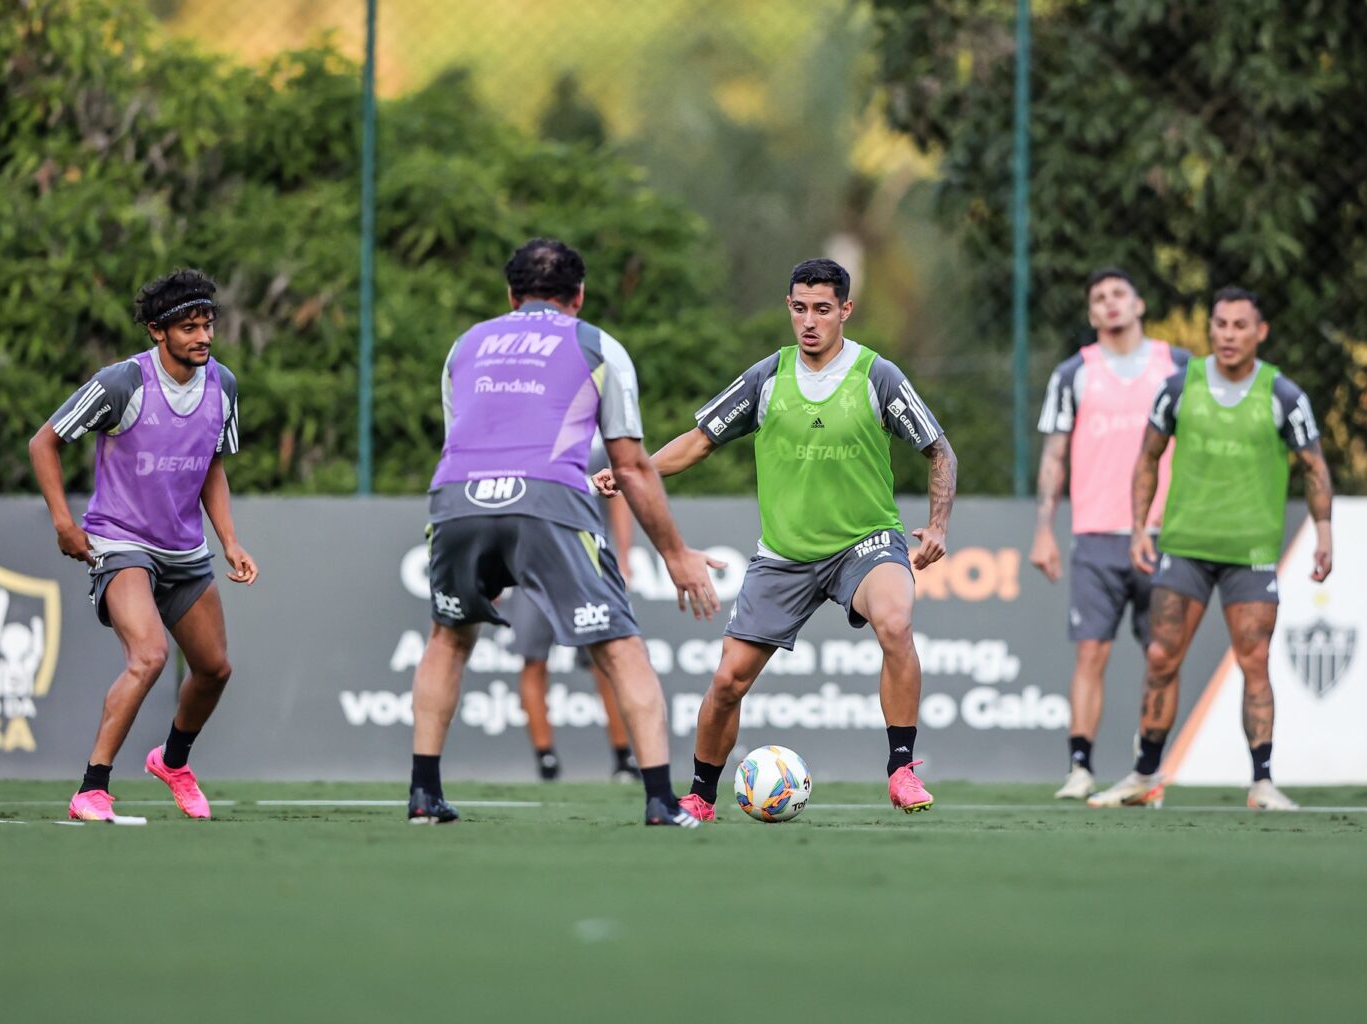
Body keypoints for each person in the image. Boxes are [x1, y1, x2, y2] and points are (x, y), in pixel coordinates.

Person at [597, 258, 958, 820]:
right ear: (788, 308)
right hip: (784, 556)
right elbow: (700, 441)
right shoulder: (767, 377)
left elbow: (938, 449)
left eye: (821, 309)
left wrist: (937, 526)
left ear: (845, 310)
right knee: (727, 683)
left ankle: (902, 770)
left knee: (896, 620)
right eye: (798, 308)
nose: (809, 321)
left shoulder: (877, 375)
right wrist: (633, 471)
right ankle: (698, 794)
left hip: (864, 544)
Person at [408, 237, 721, 827]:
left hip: (455, 499)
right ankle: (659, 800)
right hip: (548, 501)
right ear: (578, 296)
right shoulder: (596, 344)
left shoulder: (465, 346)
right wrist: (675, 554)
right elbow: (630, 466)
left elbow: (459, 439)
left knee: (448, 638)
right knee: (620, 647)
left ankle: (423, 794)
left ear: (510, 296)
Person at [1088, 287, 1332, 811]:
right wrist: (1137, 528)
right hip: (1185, 546)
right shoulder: (1178, 387)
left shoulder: (1283, 395)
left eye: (1240, 325)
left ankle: (1262, 782)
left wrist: (1324, 533)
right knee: (1160, 657)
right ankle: (1144, 775)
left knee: (1255, 660)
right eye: (1220, 324)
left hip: (1251, 550)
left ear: (1260, 332)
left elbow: (1314, 465)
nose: (1228, 335)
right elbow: (1147, 458)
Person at [28, 268, 258, 823]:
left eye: (207, 325)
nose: (202, 337)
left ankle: (172, 762)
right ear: (159, 332)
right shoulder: (121, 383)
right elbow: (44, 442)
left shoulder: (222, 385)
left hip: (184, 550)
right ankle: (92, 788)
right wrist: (64, 522)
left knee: (214, 669)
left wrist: (229, 541)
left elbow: (211, 467)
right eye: (189, 328)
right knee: (151, 656)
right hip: (120, 539)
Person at [1030, 269, 1189, 800]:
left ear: (1139, 302)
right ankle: (1080, 768)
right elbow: (1054, 456)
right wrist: (1044, 532)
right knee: (1090, 653)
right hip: (1096, 534)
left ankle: (1148, 772)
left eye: (1119, 293)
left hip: (1165, 533)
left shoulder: (1180, 367)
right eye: (1098, 297)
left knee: (1162, 656)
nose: (1110, 303)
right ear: (1092, 313)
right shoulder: (1074, 373)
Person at [504, 434, 639, 782]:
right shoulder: (525, 423)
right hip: (531, 564)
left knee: (604, 660)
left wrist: (623, 557)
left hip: (585, 562)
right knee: (532, 660)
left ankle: (624, 759)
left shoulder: (597, 425)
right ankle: (545, 759)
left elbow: (619, 494)